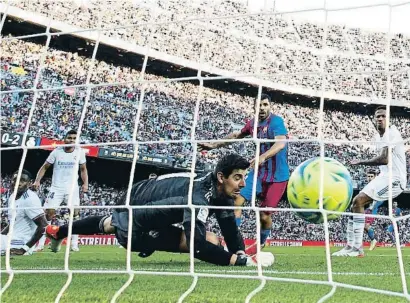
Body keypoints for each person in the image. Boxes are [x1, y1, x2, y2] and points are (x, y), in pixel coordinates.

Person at [46, 154, 274, 267]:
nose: (243, 184)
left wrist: (240, 252)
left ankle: (59, 232)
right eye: (238, 178)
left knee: (213, 241)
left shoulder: (220, 191)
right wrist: (238, 262)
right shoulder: (198, 196)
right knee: (119, 228)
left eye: (244, 177)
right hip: (137, 199)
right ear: (221, 177)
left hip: (155, 199)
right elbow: (196, 247)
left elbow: (229, 227)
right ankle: (61, 232)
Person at [199, 94, 289, 254]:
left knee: (264, 215)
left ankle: (260, 243)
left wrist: (262, 156)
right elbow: (236, 136)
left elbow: (281, 143)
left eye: (265, 105)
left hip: (278, 177)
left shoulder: (276, 122)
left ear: (270, 106)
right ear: (254, 106)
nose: (262, 108)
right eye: (259, 105)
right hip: (258, 174)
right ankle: (234, 245)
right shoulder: (253, 124)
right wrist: (213, 145)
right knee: (237, 202)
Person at [333, 106, 407, 257]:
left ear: (388, 119)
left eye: (383, 116)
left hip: (396, 180)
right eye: (377, 116)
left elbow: (384, 159)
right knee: (354, 203)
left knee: (359, 201)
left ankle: (357, 248)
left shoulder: (392, 133)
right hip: (384, 177)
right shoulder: (378, 136)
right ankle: (350, 246)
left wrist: (361, 161)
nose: (380, 119)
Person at [33, 130, 89, 252]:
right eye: (69, 138)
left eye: (74, 138)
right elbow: (45, 167)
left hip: (72, 188)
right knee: (48, 214)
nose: (72, 140)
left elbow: (83, 169)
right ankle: (40, 244)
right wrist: (37, 181)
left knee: (75, 214)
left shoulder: (79, 152)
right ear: (64, 139)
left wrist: (85, 183)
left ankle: (74, 244)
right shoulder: (57, 152)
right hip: (56, 188)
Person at [1, 170, 47, 256]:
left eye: (22, 180)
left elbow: (44, 226)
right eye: (15, 179)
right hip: (10, 239)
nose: (18, 183)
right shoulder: (12, 197)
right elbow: (13, 223)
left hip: (20, 243)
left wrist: (24, 249)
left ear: (29, 183)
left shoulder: (30, 199)